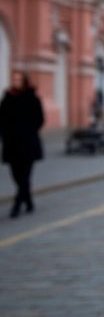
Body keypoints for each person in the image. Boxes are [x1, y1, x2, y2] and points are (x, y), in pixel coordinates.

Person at [0, 71, 44, 218]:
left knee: (25, 175)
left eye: (18, 79)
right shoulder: (7, 97)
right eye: (14, 79)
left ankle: (17, 204)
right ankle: (29, 200)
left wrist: (28, 131)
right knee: (15, 175)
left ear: (24, 81)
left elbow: (40, 119)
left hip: (28, 143)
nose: (15, 81)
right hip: (11, 144)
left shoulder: (32, 98)